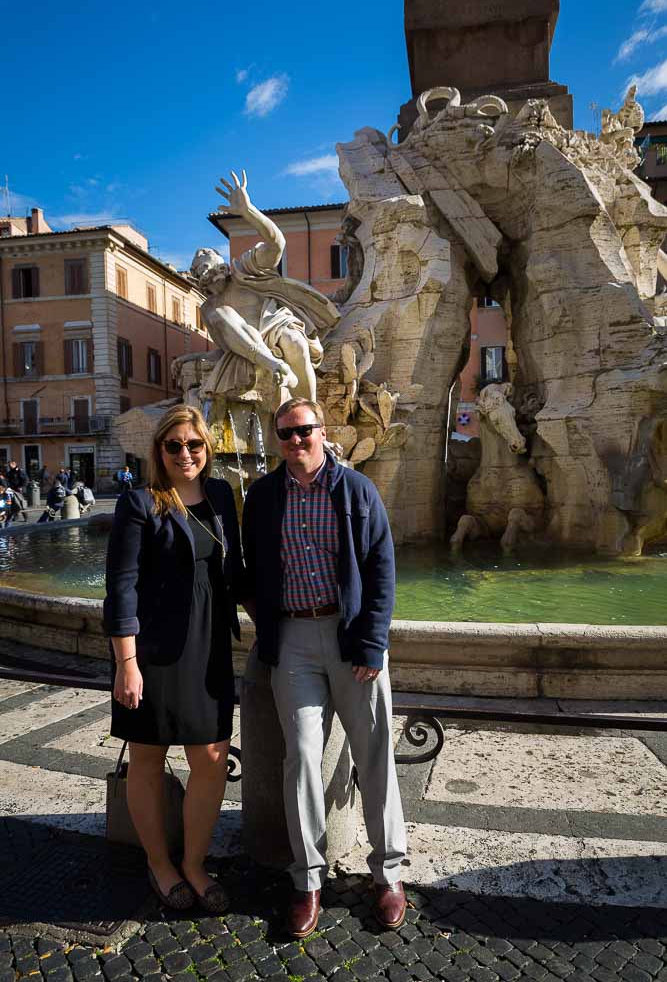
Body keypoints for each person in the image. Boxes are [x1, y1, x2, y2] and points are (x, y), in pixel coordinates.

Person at [242, 397, 407, 939]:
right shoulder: (264, 496)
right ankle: (308, 879)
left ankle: (387, 874)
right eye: (286, 434)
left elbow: (382, 567)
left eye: (304, 431)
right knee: (302, 759)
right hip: (292, 639)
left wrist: (373, 642)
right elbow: (252, 568)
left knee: (375, 755)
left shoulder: (357, 488)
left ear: (322, 432)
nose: (296, 442)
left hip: (351, 635)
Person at [103, 404, 246, 913]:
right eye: (174, 445)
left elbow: (236, 571)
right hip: (155, 652)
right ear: (159, 451)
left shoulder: (223, 495)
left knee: (209, 757)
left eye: (194, 445)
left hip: (209, 648)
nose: (185, 453)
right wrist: (126, 662)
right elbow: (120, 587)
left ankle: (194, 862)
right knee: (147, 755)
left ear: (207, 449)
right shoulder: (140, 503)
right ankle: (160, 863)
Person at [174, 170, 338, 403]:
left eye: (208, 265)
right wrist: (194, 356)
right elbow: (226, 347)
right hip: (253, 351)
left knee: (295, 343)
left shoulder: (245, 270)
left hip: (277, 327)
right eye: (200, 271)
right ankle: (276, 366)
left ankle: (313, 418)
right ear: (198, 279)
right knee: (221, 312)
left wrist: (248, 211)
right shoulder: (209, 309)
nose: (206, 273)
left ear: (222, 265)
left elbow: (276, 244)